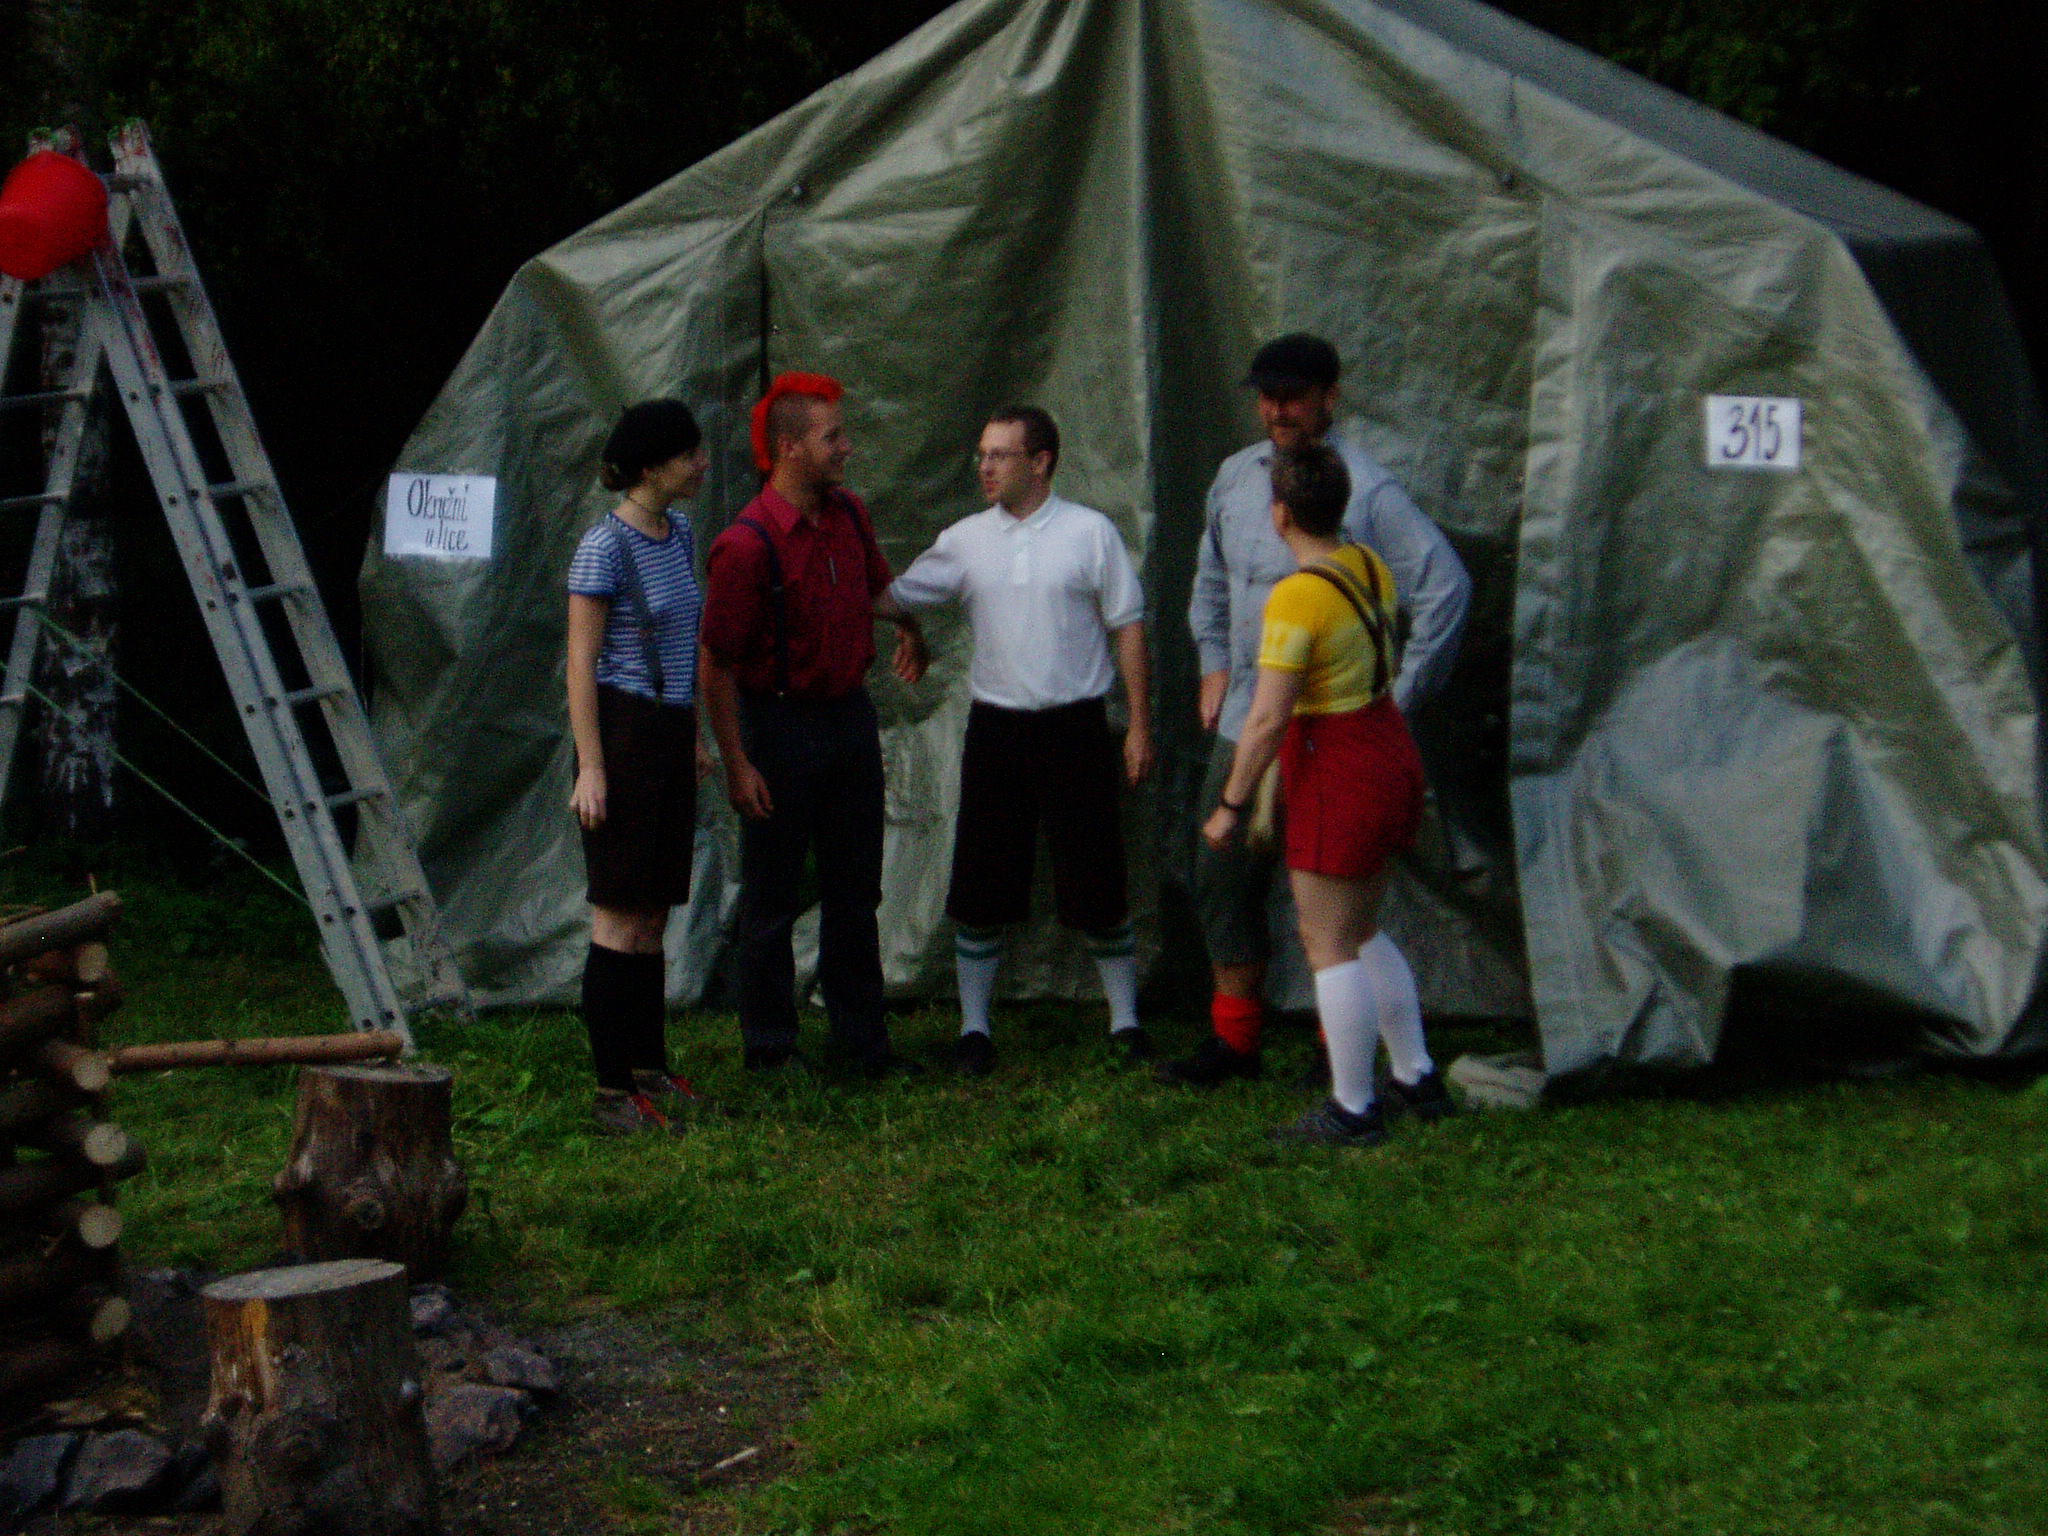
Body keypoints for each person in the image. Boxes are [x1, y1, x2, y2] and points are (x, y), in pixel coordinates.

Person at [1165, 332, 1471, 1087]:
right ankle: (1236, 1042)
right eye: (1267, 398)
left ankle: (1346, 1063)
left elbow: (1445, 588)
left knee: (1336, 915)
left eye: (1293, 398)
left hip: (1326, 737)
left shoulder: (1366, 490)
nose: (1277, 411)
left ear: (1330, 399)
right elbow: (1211, 580)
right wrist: (1213, 663)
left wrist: (1392, 698)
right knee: (1222, 879)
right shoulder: (1235, 477)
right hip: (1246, 719)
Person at [889, 406, 1155, 1076]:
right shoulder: (965, 541)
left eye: (1000, 455)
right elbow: (894, 595)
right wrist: (904, 626)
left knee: (1096, 879)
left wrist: (1140, 725)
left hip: (1076, 728)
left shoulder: (1090, 533)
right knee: (981, 887)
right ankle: (974, 1031)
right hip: (997, 730)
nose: (984, 467)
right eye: (982, 454)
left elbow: (1127, 625)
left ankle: (1126, 1023)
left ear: (1041, 462)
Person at [1200, 443, 1451, 1144]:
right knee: (1362, 930)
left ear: (1280, 514)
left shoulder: (1295, 597)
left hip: (1336, 766)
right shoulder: (1368, 565)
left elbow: (1267, 718)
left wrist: (1231, 805)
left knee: (1327, 942)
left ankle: (1353, 1106)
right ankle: (1416, 1074)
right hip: (1388, 749)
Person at [698, 371, 929, 1078]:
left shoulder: (848, 514)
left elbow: (872, 590)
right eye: (834, 437)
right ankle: (771, 1050)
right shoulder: (745, 546)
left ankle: (862, 1045)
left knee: (855, 891)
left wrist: (911, 625)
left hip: (848, 720)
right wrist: (738, 763)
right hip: (779, 727)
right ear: (790, 448)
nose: (847, 448)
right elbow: (715, 665)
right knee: (771, 896)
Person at [566, 398, 713, 1135]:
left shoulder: (678, 532)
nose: (702, 464)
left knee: (653, 914)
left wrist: (691, 734)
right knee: (618, 916)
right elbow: (581, 663)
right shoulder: (603, 547)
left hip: (667, 730)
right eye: (690, 454)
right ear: (653, 467)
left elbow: (684, 641)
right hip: (620, 735)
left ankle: (649, 1068)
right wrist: (592, 768)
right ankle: (611, 1091)